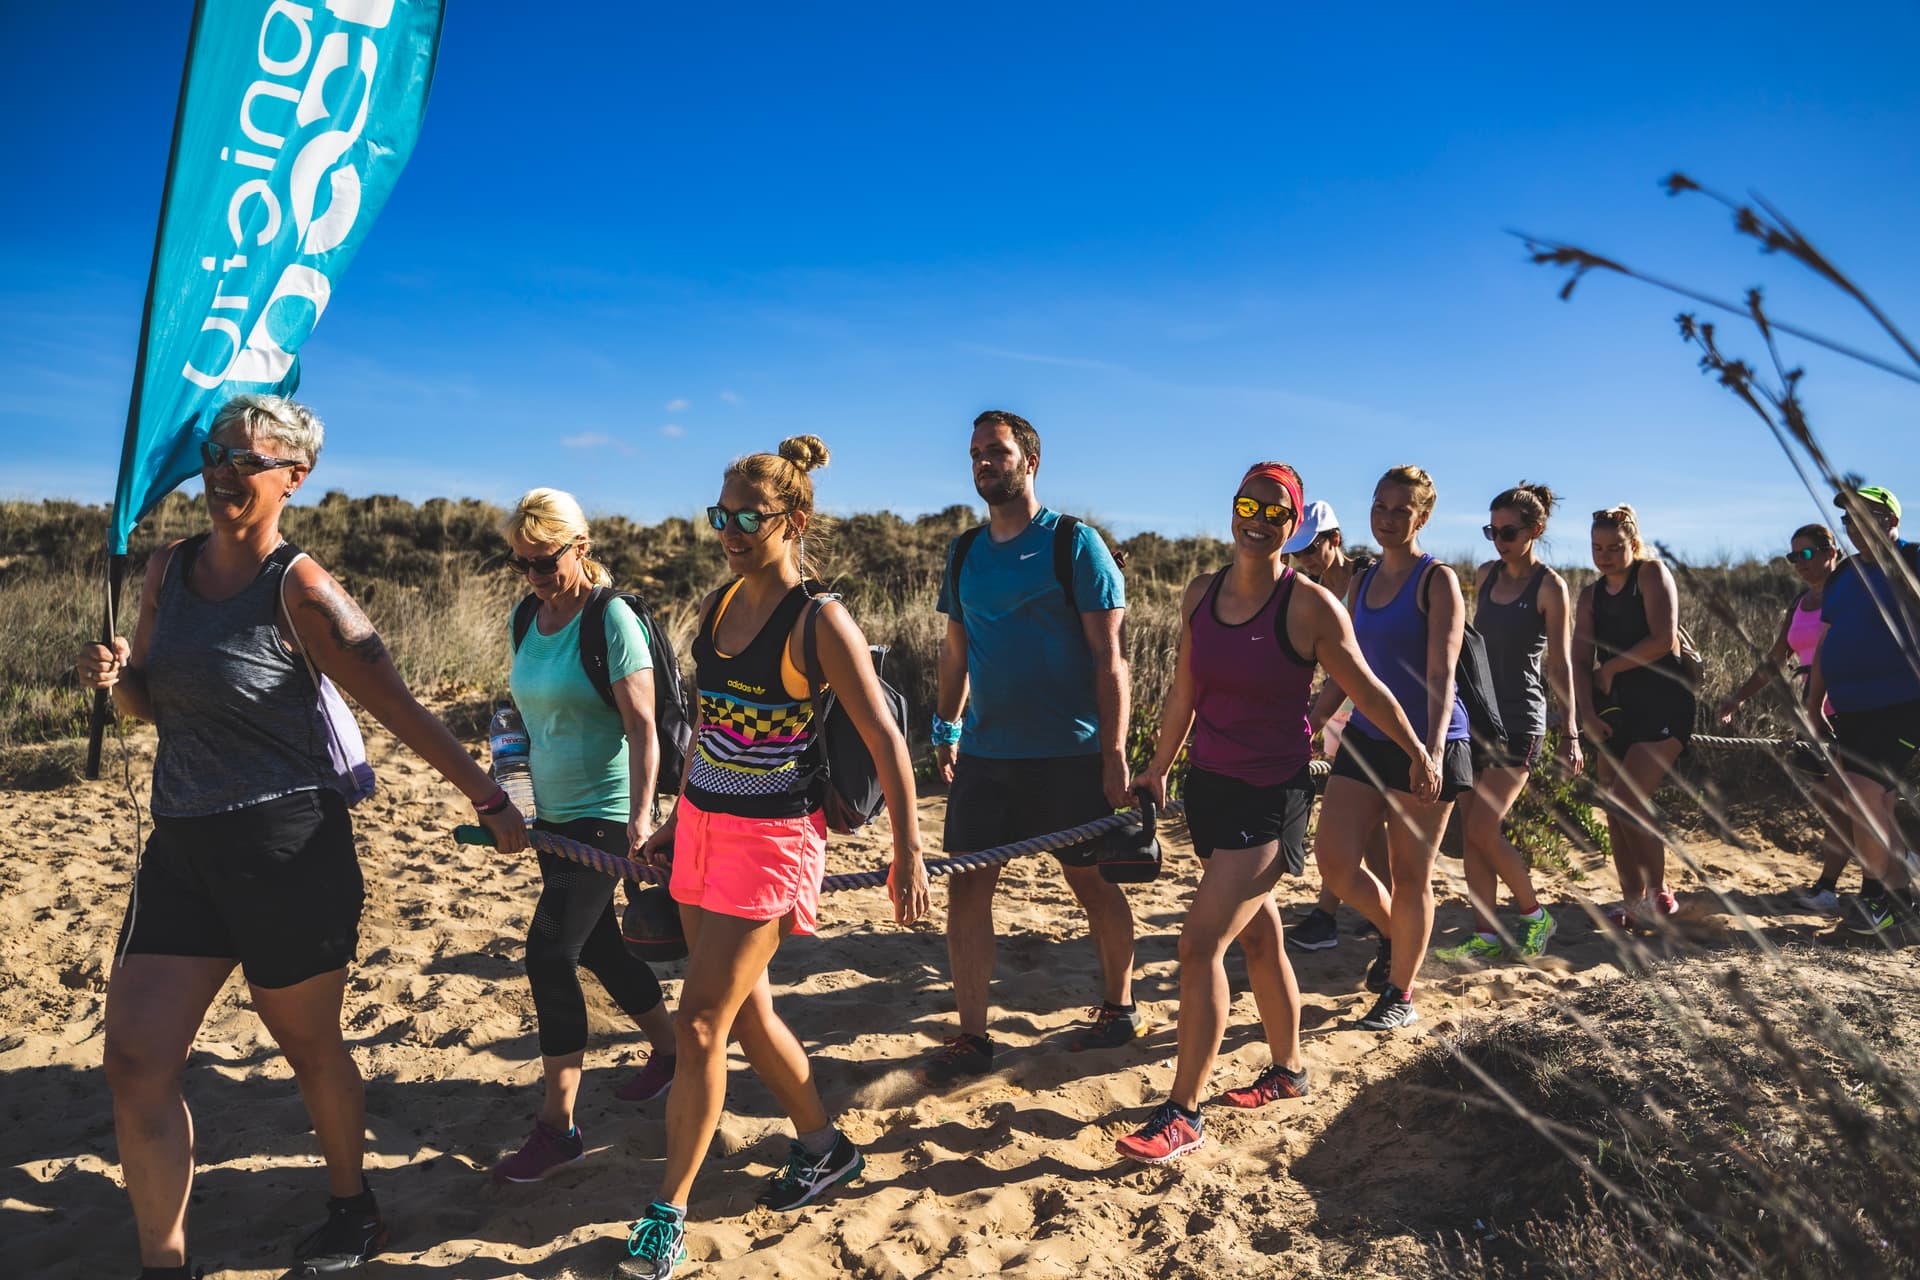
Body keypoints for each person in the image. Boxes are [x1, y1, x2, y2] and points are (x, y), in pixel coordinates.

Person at [76, 395, 529, 1280]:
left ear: (295, 477)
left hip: (286, 848)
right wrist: (117, 678)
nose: (223, 473)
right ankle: (162, 1262)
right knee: (134, 1060)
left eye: (247, 460)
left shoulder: (303, 588)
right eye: (216, 453)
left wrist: (488, 797)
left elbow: (397, 707)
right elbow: (148, 706)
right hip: (180, 847)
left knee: (308, 1044)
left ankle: (351, 1204)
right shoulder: (167, 569)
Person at [614, 437, 930, 1280]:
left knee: (700, 1023)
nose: (730, 528)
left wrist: (909, 851)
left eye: (748, 516)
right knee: (745, 1013)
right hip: (705, 830)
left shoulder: (820, 620)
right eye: (720, 514)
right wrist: (675, 818)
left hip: (772, 841)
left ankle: (667, 1212)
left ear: (793, 520)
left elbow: (887, 740)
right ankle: (825, 1148)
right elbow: (707, 729)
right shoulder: (718, 605)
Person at [1118, 463, 1433, 1162]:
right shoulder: (1199, 594)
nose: (1257, 520)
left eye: (1275, 512)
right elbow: (1183, 691)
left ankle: (1184, 1113)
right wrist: (1158, 766)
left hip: (1273, 796)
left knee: (1200, 945)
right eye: (1246, 505)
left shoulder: (1311, 606)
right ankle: (1289, 1071)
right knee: (1260, 939)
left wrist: (1418, 750)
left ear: (1294, 527)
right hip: (1211, 786)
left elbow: (1369, 689)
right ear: (1232, 510)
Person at [919, 410, 1137, 1086]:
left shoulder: (1075, 544)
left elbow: (1112, 659)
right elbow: (956, 650)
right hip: (989, 754)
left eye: (999, 451)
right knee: (967, 891)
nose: (986, 461)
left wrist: (1115, 753)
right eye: (977, 452)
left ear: (1030, 461)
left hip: (1071, 757)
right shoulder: (963, 552)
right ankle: (972, 1037)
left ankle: (1119, 1007)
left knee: (1093, 885)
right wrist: (946, 726)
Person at [490, 489, 679, 1184]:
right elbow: (528, 716)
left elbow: (643, 727)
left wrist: (638, 818)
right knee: (597, 944)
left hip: (603, 814)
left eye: (545, 561)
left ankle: (558, 1126)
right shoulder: (524, 618)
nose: (534, 575)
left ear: (580, 547)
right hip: (551, 816)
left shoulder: (613, 618)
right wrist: (510, 784)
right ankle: (671, 1052)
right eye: (523, 563)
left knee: (549, 954)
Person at [1309, 465, 1467, 1031]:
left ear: (1422, 517)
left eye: (1400, 510)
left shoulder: (1437, 580)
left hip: (1430, 741)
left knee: (1410, 876)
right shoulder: (1364, 579)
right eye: (1379, 506)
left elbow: (1442, 674)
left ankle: (1400, 991)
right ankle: (1398, 935)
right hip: (1368, 734)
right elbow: (1348, 670)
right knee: (1335, 860)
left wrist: (1429, 753)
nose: (1386, 518)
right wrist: (1314, 719)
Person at [1434, 483, 1578, 962]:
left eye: (1509, 531)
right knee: (1473, 830)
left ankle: (1535, 917)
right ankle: (1486, 933)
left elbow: (1560, 665)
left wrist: (1572, 733)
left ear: (1535, 530)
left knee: (1482, 828)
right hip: (1476, 715)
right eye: (1492, 531)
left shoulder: (1551, 587)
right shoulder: (1485, 574)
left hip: (1521, 720)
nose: (1499, 539)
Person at [1715, 522, 1854, 912]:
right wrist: (1738, 698)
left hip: (1851, 711)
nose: (1799, 563)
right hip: (1814, 717)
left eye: (1807, 553)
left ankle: (1845, 886)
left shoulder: (1851, 595)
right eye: (1793, 556)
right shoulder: (1798, 603)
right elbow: (1776, 659)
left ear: (1832, 552)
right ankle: (1849, 883)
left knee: (1855, 802)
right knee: (1835, 803)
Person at [1806, 485, 1920, 940]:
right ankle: (1899, 905)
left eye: (1864, 518)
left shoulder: (1912, 560)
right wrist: (1813, 702)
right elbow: (1826, 641)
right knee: (1876, 803)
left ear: (1891, 521)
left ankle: (1881, 902)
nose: (1854, 528)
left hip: (1903, 701)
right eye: (1848, 520)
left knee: (1860, 791)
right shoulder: (1844, 576)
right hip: (1850, 708)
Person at [1574, 504, 1695, 929]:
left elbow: (1663, 639)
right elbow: (1577, 659)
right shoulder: (1590, 595)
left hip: (1664, 702)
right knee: (1613, 805)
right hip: (1616, 709)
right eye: (1596, 547)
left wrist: (1609, 668)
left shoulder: (1651, 575)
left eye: (1614, 547)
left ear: (1633, 543)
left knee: (1628, 799)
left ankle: (1659, 893)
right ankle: (1632, 899)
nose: (1604, 555)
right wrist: (1585, 713)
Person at [1282, 500, 1389, 953]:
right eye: (1299, 551)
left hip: (1370, 711)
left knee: (1355, 820)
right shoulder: (1311, 589)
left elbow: (1355, 667)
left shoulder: (1366, 582)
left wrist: (1309, 722)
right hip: (1340, 712)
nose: (1305, 558)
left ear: (1335, 540)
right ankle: (1382, 908)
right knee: (1367, 822)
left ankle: (1329, 916)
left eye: (1312, 547)